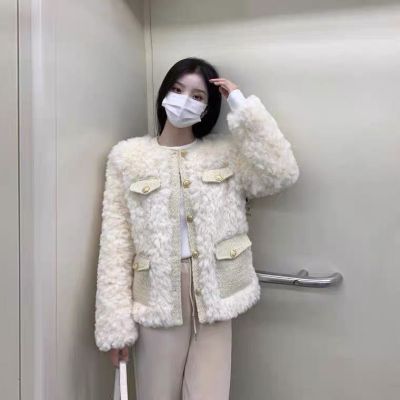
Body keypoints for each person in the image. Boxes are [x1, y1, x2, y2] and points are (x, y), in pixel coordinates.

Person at [94, 57, 300, 399]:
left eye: (197, 96)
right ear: (164, 94)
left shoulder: (225, 153)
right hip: (158, 297)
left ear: (207, 108)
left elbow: (281, 173)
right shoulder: (127, 158)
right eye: (177, 90)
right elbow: (115, 244)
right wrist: (115, 327)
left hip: (216, 293)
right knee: (155, 393)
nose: (184, 100)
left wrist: (242, 106)